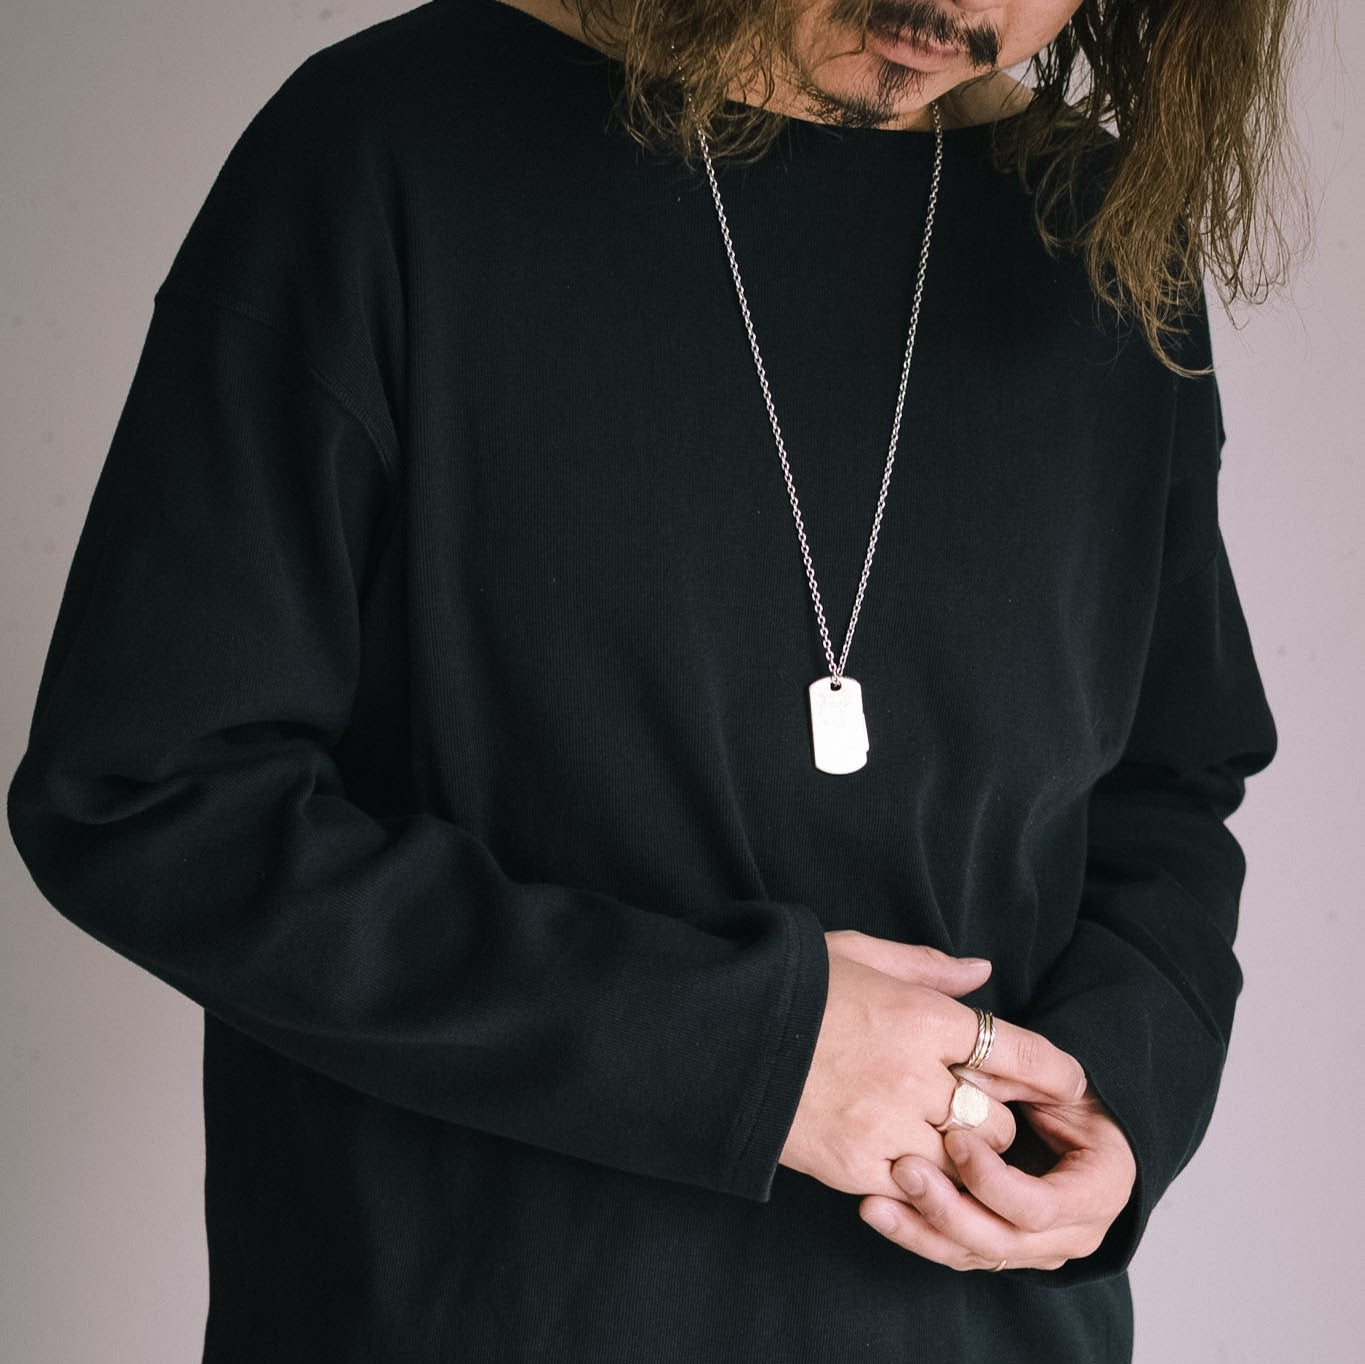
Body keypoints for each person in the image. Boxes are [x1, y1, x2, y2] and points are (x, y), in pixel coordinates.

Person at [7, 0, 1295, 1359]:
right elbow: (152, 798)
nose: (967, 6)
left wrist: (1117, 1101)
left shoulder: (1101, 232)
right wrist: (741, 1050)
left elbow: (1167, 785)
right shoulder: (392, 146)